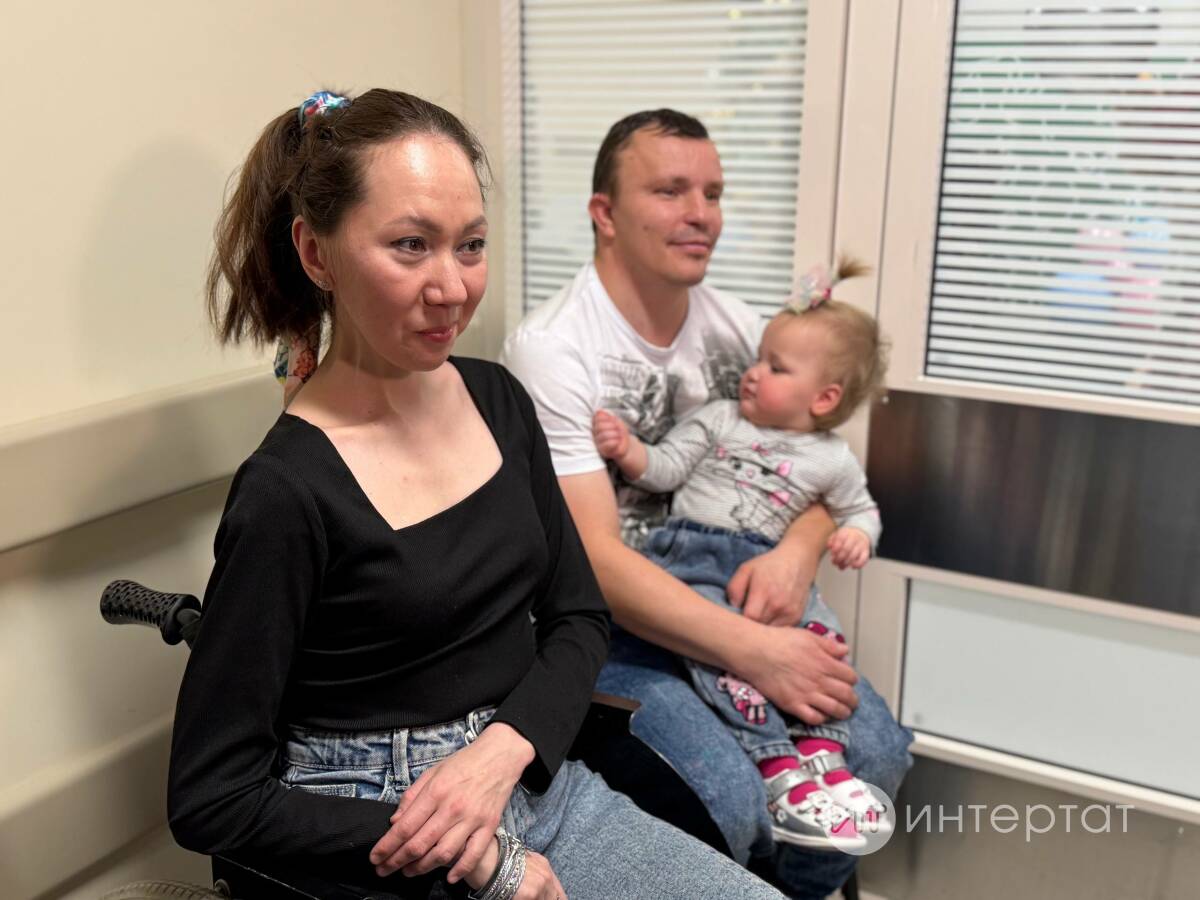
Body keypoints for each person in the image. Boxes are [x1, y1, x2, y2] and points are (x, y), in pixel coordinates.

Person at [168, 89, 787, 900]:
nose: (452, 287)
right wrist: (483, 860)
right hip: (386, 829)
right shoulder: (288, 491)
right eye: (411, 245)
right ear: (317, 255)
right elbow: (211, 798)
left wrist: (504, 748)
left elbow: (579, 618)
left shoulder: (498, 402)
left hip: (536, 786)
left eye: (470, 246)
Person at [501, 109, 913, 897]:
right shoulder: (551, 349)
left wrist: (800, 550)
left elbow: (812, 460)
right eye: (670, 191)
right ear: (604, 214)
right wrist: (757, 653)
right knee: (730, 798)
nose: (701, 214)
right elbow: (595, 563)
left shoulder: (740, 328)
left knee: (877, 755)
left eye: (713, 193)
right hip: (619, 636)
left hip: (736, 602)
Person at [591, 259, 892, 852]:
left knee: (822, 637)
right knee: (726, 663)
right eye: (759, 359)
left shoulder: (832, 459)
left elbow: (861, 509)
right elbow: (666, 468)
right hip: (693, 563)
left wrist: (858, 535)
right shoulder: (721, 418)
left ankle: (823, 756)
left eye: (775, 368)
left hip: (765, 573)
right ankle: (777, 764)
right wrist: (629, 450)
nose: (753, 374)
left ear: (824, 397)